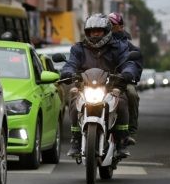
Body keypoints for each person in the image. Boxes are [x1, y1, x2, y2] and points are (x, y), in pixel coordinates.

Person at [60, 14, 141, 161]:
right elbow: (71, 63)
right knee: (73, 96)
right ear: (87, 32)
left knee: (122, 100)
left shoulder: (119, 47)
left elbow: (128, 63)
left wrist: (128, 72)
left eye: (98, 31)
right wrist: (67, 72)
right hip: (85, 87)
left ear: (106, 31)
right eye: (91, 31)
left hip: (112, 87)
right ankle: (76, 139)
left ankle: (122, 140)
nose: (95, 34)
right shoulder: (79, 49)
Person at [108, 12, 142, 144]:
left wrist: (128, 74)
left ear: (121, 27)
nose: (109, 27)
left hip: (121, 82)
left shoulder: (129, 47)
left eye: (112, 24)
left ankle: (130, 130)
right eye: (107, 24)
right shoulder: (99, 43)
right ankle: (78, 133)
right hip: (100, 81)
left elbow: (134, 66)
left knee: (132, 93)